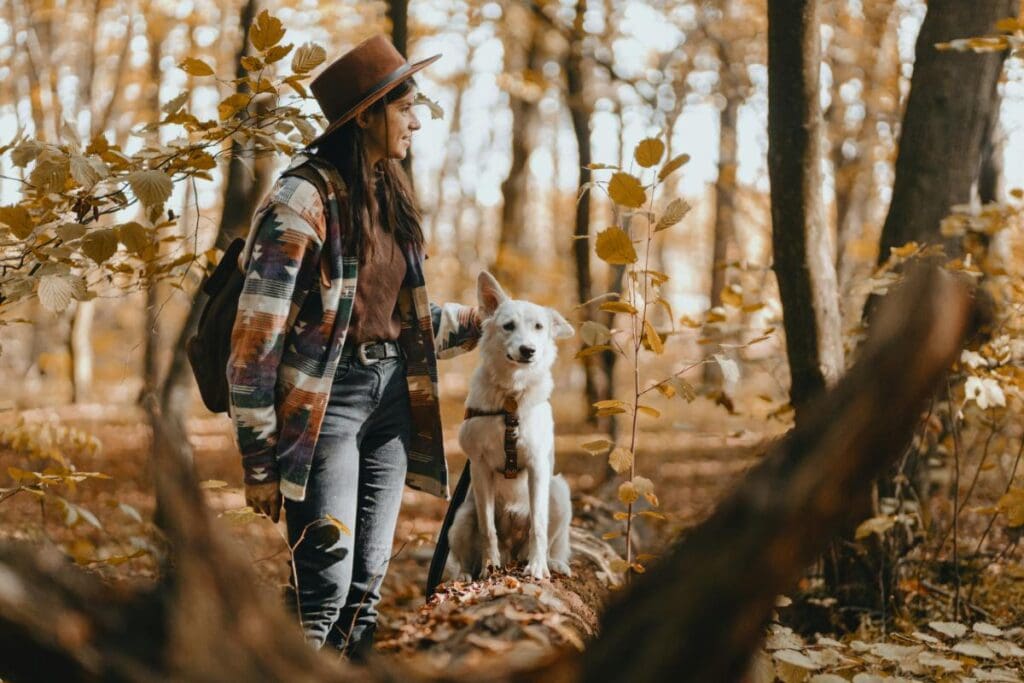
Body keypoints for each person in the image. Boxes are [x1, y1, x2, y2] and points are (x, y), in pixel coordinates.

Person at [226, 34, 481, 660]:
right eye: (404, 107)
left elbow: (395, 321)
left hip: (393, 400)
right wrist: (259, 462)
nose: (417, 120)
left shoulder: (390, 193)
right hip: (327, 409)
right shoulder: (301, 200)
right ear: (365, 115)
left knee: (366, 586)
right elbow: (255, 341)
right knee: (324, 588)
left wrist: (494, 322)